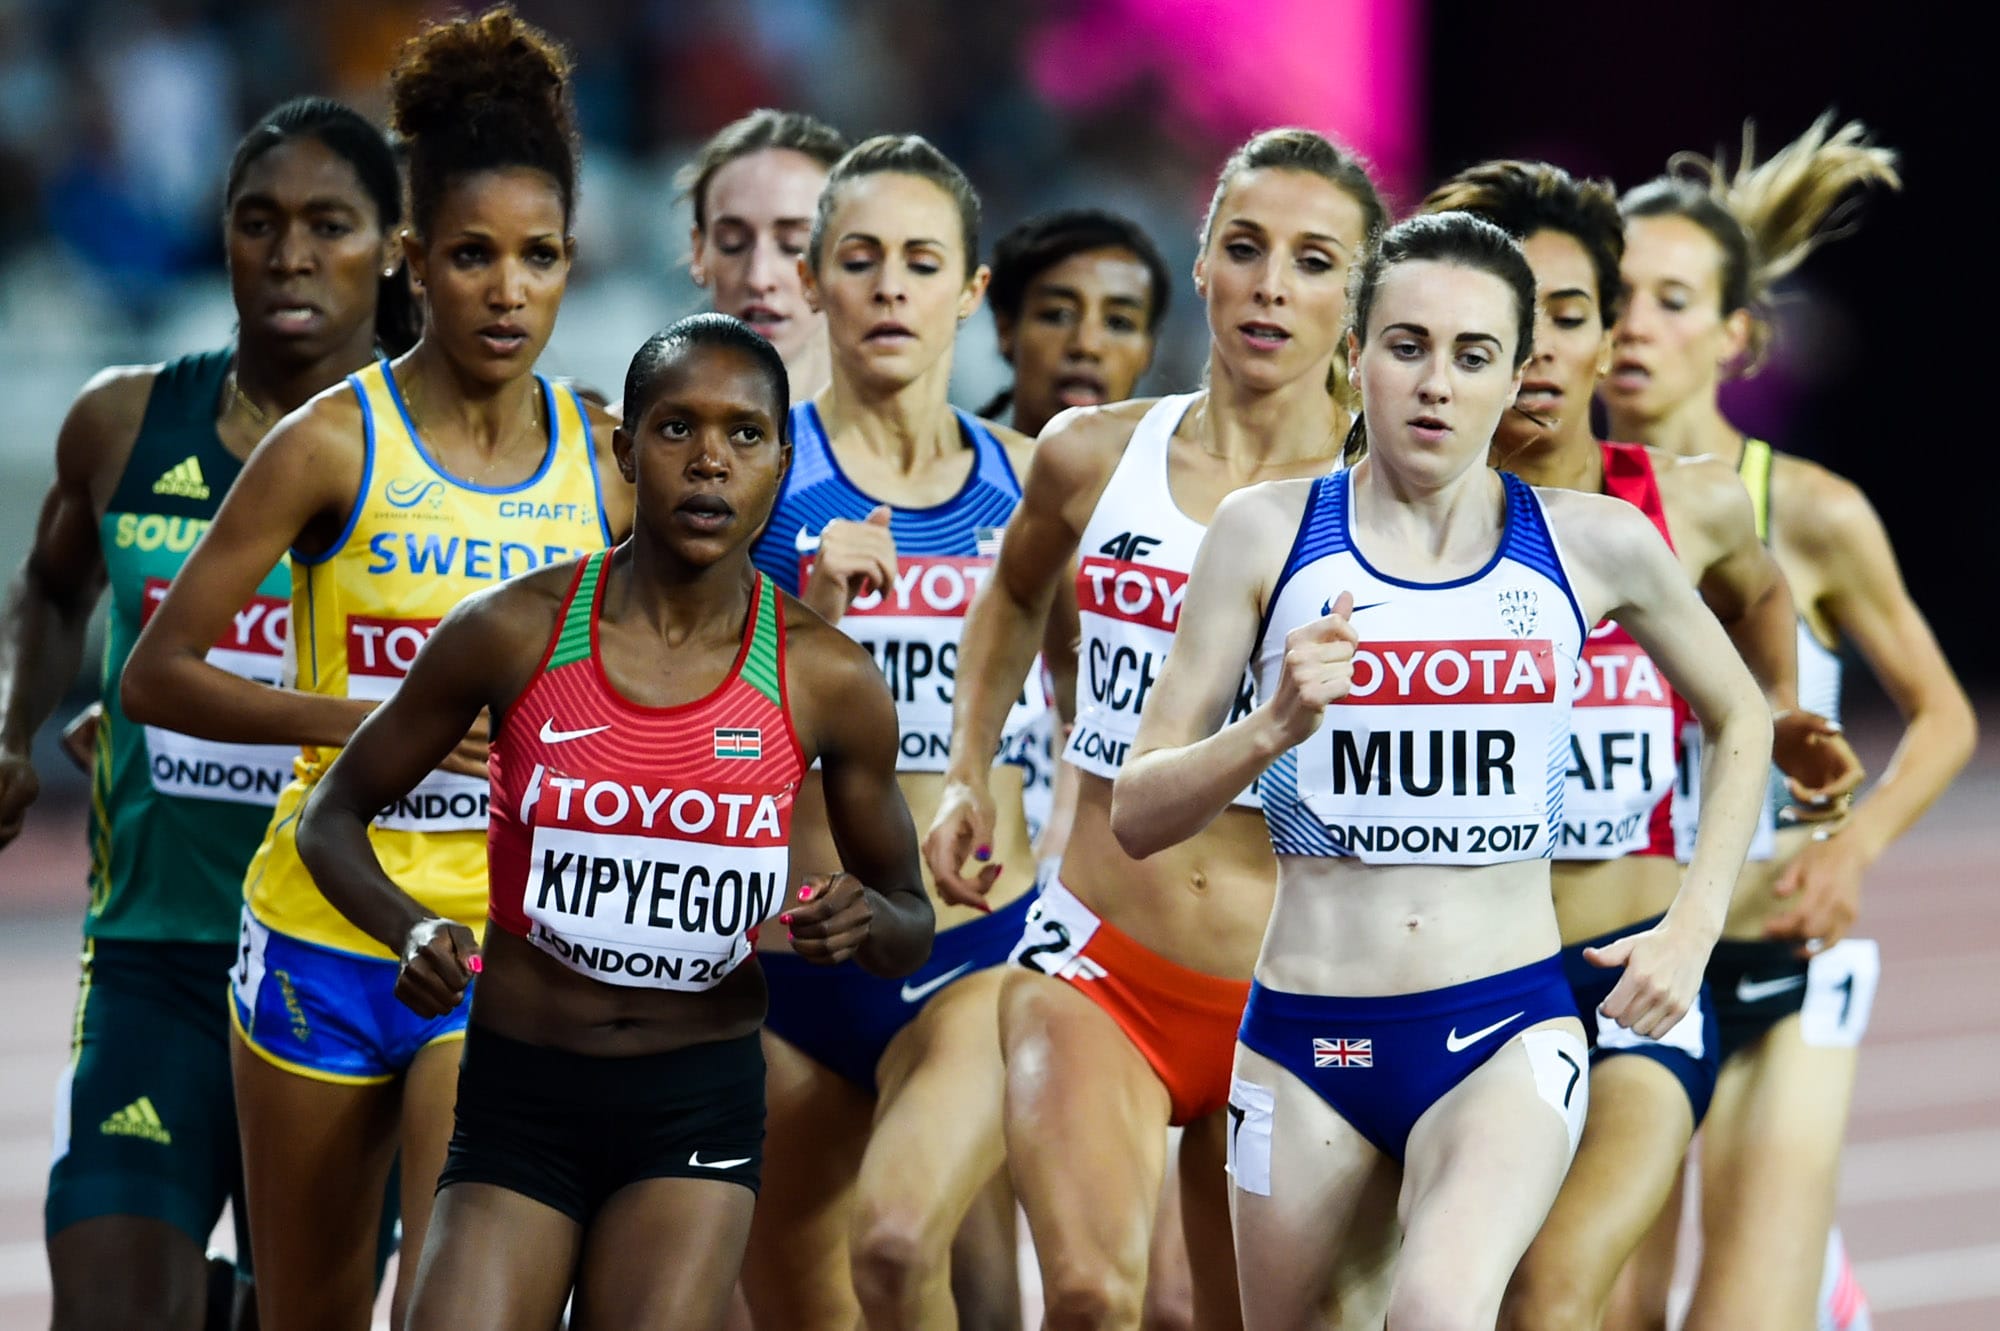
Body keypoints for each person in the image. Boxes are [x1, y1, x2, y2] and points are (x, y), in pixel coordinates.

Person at [1108, 211, 1775, 1331]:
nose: (1434, 383)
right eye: (1406, 345)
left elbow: (1738, 712)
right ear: (1352, 352)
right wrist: (1268, 726)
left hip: (1501, 1027)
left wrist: (1693, 922)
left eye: (1472, 356)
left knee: (1435, 1312)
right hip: (1299, 1039)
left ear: (1516, 376)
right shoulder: (1263, 534)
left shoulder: (1590, 541)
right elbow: (1135, 808)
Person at [121, 10, 627, 1327]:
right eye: (472, 256)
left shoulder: (608, 460)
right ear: (413, 263)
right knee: (308, 1307)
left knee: (457, 1304)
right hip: (318, 931)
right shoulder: (330, 444)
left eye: (538, 257)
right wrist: (365, 717)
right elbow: (157, 673)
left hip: (504, 948)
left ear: (574, 264)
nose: (507, 292)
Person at [293, 314, 935, 1331]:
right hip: (519, 1090)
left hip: (696, 1100)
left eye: (744, 434)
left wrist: (863, 921)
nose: (709, 459)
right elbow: (330, 817)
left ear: (780, 461)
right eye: (677, 428)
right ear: (625, 447)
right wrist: (406, 924)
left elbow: (911, 913)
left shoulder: (826, 676)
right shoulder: (509, 628)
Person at [929, 128, 1382, 1331]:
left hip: (1292, 994)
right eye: (1245, 248)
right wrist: (967, 770)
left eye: (1311, 259)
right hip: (1097, 955)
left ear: (1357, 296)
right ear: (1203, 263)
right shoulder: (1092, 457)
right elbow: (1014, 595)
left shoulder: (1396, 503)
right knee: (1086, 1295)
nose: (1272, 284)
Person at [1416, 160, 1860, 1331]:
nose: (1546, 350)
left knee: (1557, 1297)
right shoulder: (1395, 526)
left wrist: (1774, 709)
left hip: (1633, 983)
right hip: (1448, 980)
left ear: (1606, 333)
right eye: (1519, 319)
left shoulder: (1689, 505)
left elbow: (1758, 598)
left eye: (1571, 317)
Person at [0, 97, 412, 1331]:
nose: (290, 254)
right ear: (222, 239)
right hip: (158, 959)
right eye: (258, 222)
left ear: (393, 247)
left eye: (329, 224)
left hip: (347, 963)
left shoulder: (446, 459)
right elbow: (54, 585)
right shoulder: (124, 424)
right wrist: (17, 727)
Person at [1607, 115, 1976, 1331]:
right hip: (1612, 968)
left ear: (1735, 335)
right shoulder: (1544, 507)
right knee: (1610, 1310)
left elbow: (1938, 717)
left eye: (1669, 298)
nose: (1631, 324)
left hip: (1774, 957)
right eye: (1610, 295)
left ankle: (1802, 1280)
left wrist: (1847, 847)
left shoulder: (1803, 509)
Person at [733, 133, 1035, 1331]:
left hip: (970, 946)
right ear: (810, 281)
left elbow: (1105, 710)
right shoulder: (746, 479)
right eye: (859, 260)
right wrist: (801, 623)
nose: (890, 287)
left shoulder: (1029, 485)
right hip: (779, 965)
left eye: (922, 262)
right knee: (804, 1306)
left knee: (902, 1243)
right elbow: (664, 726)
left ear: (969, 291)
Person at [680, 108, 851, 400]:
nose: (759, 278)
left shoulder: (921, 442)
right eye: (732, 243)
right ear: (699, 253)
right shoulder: (621, 440)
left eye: (794, 246)